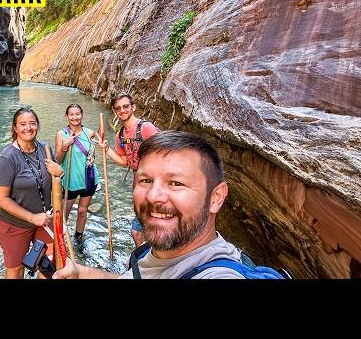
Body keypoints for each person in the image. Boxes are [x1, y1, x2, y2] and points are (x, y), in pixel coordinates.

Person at [53, 130, 247, 279]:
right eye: (145, 181)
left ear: (216, 198)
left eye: (176, 183)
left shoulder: (217, 273)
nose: (153, 196)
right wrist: (80, 273)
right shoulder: (150, 253)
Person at [0, 106, 65, 279]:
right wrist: (32, 218)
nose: (28, 128)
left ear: (38, 126)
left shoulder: (44, 148)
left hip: (44, 219)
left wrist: (60, 172)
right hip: (14, 223)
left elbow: (54, 180)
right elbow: (1, 199)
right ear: (15, 128)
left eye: (32, 123)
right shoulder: (7, 158)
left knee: (51, 262)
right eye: (22, 124)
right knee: (17, 268)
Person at [98, 93, 160, 247]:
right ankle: (144, 260)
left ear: (133, 107)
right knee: (138, 231)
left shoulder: (146, 128)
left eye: (126, 106)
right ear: (114, 111)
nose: (123, 110)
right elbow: (125, 162)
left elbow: (162, 154)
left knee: (146, 227)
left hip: (155, 182)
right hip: (138, 182)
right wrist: (106, 149)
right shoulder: (120, 135)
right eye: (118, 108)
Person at [54, 104, 101, 244]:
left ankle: (78, 238)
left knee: (82, 211)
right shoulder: (61, 134)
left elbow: (93, 154)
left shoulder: (90, 133)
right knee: (64, 214)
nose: (75, 117)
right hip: (69, 180)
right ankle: (61, 241)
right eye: (71, 114)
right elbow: (57, 160)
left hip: (88, 178)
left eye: (78, 114)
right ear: (67, 116)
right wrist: (64, 146)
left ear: (82, 115)